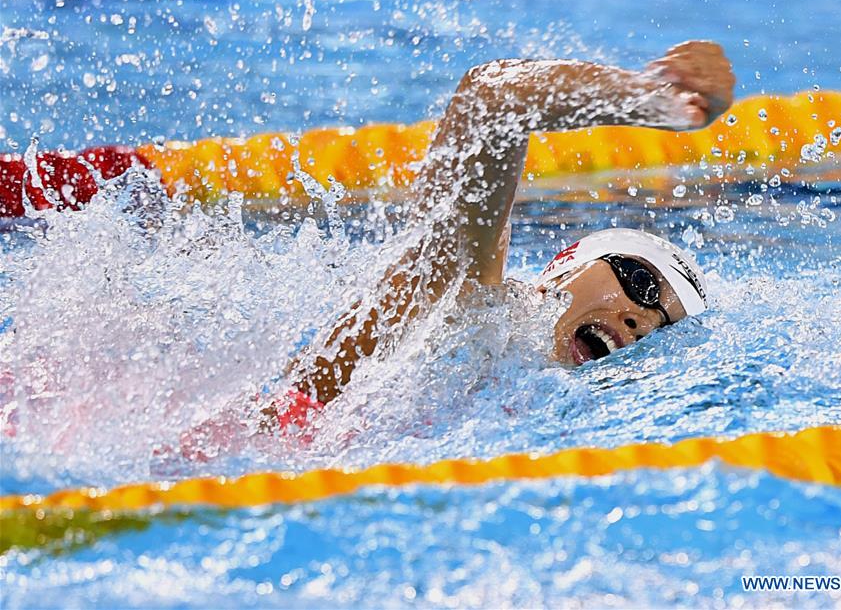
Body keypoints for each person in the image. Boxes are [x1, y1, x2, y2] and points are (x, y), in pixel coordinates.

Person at [268, 41, 736, 429]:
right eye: (642, 284)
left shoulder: (545, 416)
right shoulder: (460, 297)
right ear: (567, 261)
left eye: (663, 326)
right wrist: (653, 98)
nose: (642, 323)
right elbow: (492, 100)